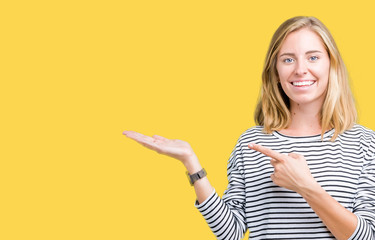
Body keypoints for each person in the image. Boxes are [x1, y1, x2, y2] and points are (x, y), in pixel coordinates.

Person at [123, 16, 375, 240]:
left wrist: (305, 186)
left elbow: (365, 236)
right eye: (288, 59)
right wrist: (193, 165)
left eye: (313, 57)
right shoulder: (252, 142)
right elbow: (231, 232)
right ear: (275, 71)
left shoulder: (364, 143)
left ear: (331, 65)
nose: (300, 69)